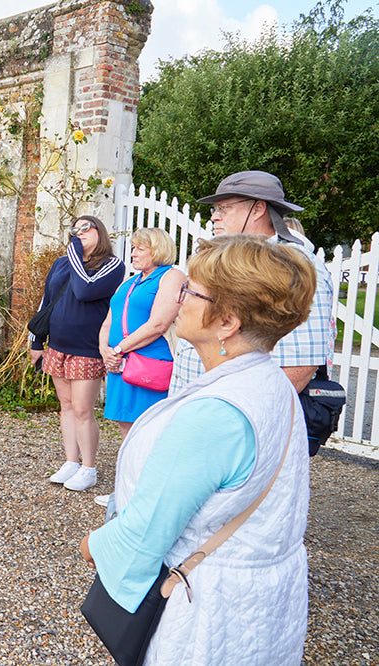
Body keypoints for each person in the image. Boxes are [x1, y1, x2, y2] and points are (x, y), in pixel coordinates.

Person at [80, 235, 316, 664]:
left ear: (227, 322)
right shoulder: (271, 383)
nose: (178, 298)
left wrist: (94, 545)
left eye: (190, 291)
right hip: (259, 601)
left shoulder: (216, 414)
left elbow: (146, 532)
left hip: (206, 612)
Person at [169, 170, 334, 395]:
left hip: (234, 408)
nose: (215, 217)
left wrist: (236, 411)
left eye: (223, 208)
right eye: (214, 209)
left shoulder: (293, 265)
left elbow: (300, 366)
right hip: (199, 402)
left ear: (257, 209)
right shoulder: (226, 258)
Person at [29, 215, 124, 492]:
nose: (79, 233)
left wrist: (75, 252)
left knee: (83, 409)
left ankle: (88, 468)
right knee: (67, 406)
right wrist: (37, 342)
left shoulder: (112, 265)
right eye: (75, 229)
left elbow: (84, 290)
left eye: (85, 228)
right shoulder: (61, 263)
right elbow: (46, 301)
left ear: (100, 232)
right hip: (57, 346)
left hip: (87, 349)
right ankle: (71, 461)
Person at [95, 228, 185, 507]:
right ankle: (127, 492)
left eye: (139, 249)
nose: (132, 253)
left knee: (150, 430)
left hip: (148, 363)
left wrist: (118, 350)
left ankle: (147, 496)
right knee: (127, 429)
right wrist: (104, 350)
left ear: (157, 250)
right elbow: (108, 320)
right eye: (133, 248)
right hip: (120, 363)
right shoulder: (130, 282)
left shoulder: (171, 276)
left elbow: (158, 324)